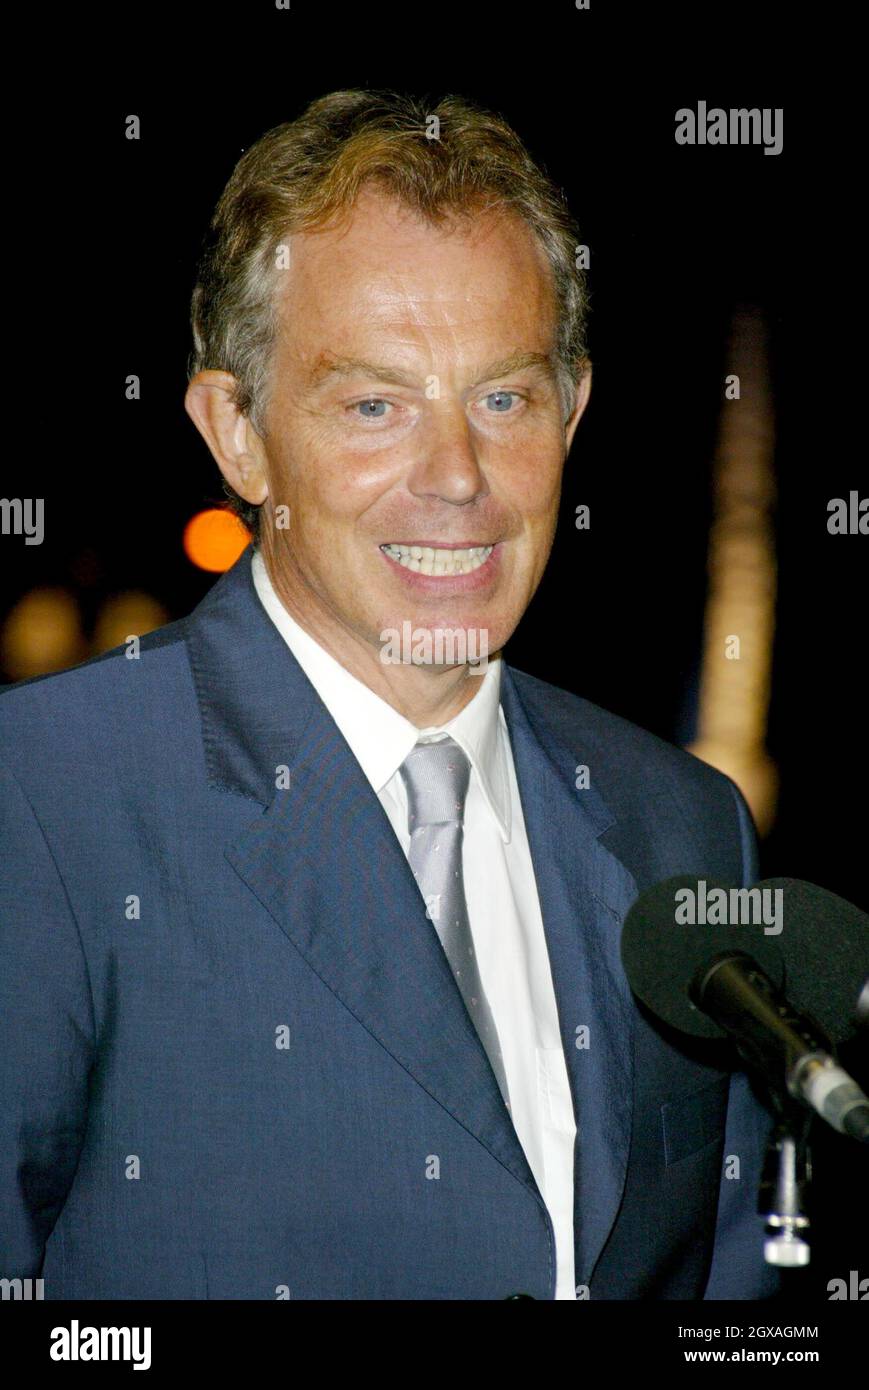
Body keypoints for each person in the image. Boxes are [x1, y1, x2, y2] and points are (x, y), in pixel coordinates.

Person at [0, 90, 778, 1300]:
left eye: (503, 398)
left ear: (572, 412)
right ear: (238, 433)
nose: (457, 476)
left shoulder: (681, 823)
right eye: (374, 404)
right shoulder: (47, 798)